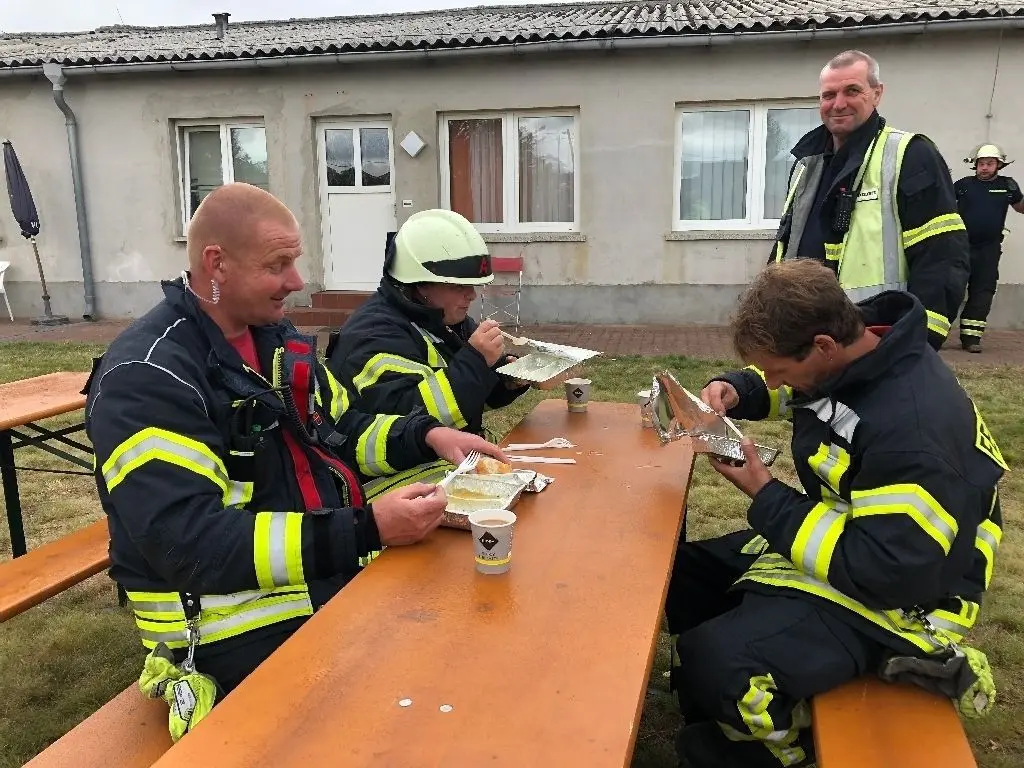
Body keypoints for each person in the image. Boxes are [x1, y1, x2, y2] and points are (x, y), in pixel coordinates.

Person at [84, 183, 508, 721]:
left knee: (472, 633)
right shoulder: (150, 376)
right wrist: (367, 529)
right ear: (216, 263)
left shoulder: (272, 339)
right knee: (424, 700)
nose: (297, 281)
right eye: (278, 264)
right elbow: (191, 544)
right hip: (231, 627)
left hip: (319, 579)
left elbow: (340, 430)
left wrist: (426, 436)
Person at [665, 260, 1005, 768]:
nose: (774, 379)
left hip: (911, 592)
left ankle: (783, 751)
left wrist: (764, 492)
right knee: (683, 573)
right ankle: (715, 708)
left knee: (721, 658)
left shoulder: (912, 432)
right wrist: (743, 389)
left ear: (824, 345)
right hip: (856, 532)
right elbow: (817, 394)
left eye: (777, 370)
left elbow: (886, 571)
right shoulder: (861, 353)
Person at [770, 49, 970, 351]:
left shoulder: (910, 154)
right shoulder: (805, 164)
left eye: (852, 91)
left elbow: (941, 256)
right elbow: (784, 248)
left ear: (877, 94)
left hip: (876, 341)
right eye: (828, 95)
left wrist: (919, 341)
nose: (838, 104)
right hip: (806, 340)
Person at [325, 208, 531, 499]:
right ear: (419, 284)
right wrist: (475, 361)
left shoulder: (442, 319)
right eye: (458, 286)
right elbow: (411, 418)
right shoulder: (374, 335)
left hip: (447, 466)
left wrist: (508, 379)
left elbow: (470, 397)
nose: (470, 295)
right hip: (394, 488)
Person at [952, 144, 1024, 352]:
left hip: (988, 250)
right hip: (960, 247)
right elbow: (943, 204)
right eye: (981, 164)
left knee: (982, 291)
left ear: (999, 165)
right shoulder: (963, 185)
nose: (984, 168)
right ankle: (935, 336)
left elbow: (1020, 207)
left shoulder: (1007, 186)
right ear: (975, 165)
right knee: (951, 288)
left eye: (989, 164)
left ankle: (971, 339)